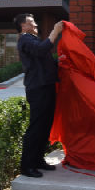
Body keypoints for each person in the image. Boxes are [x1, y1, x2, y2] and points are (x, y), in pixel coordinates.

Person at [14, 13, 64, 178]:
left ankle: (38, 160)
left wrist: (59, 61)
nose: (35, 24)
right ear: (23, 26)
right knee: (36, 127)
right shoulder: (25, 39)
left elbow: (43, 61)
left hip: (46, 86)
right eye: (31, 22)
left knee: (45, 126)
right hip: (37, 88)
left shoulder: (33, 39)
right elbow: (42, 50)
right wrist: (55, 31)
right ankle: (27, 166)